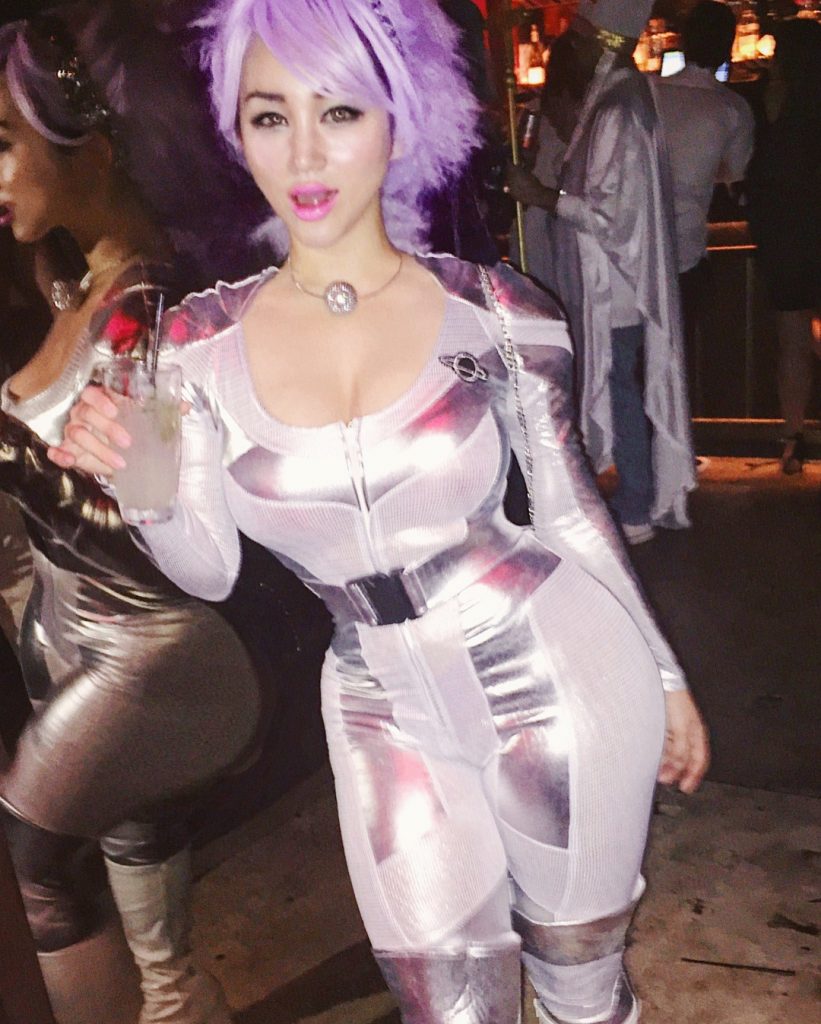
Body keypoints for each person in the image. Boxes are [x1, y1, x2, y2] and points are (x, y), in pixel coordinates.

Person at [54, 2, 710, 1023]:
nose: (303, 153)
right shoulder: (190, 348)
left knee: (581, 990)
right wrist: (135, 477)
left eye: (340, 112)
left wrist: (664, 677)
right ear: (236, 130)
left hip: (557, 668)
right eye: (269, 116)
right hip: (376, 699)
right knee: (448, 1005)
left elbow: (570, 512)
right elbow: (208, 569)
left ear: (400, 117)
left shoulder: (497, 312)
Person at [0, 4, 271, 1022]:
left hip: (155, 651)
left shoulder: (150, 313)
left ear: (96, 150)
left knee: (38, 865)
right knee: (129, 834)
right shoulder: (74, 279)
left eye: (3, 143)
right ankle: (178, 1000)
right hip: (74, 638)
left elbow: (153, 535)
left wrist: (14, 459)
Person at [508, 0, 696, 545]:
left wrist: (542, 196)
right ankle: (632, 497)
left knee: (620, 389)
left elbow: (614, 213)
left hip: (616, 284)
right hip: (611, 281)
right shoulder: (614, 100)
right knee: (618, 386)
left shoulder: (619, 108)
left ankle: (635, 506)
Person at [651, 1, 755, 406]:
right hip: (686, 252)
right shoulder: (732, 109)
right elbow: (734, 179)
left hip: (634, 248)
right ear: (728, 48)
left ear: (682, 42)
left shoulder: (649, 93)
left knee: (637, 361)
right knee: (679, 362)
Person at [747, 17, 820, 474]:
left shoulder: (772, 101)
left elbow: (755, 168)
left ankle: (793, 437)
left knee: (792, 338)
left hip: (786, 231)